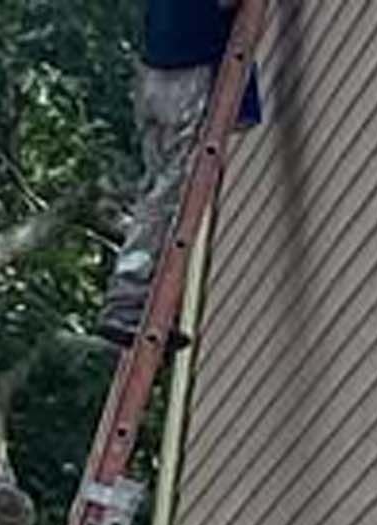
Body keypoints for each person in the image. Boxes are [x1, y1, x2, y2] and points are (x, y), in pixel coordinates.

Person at [97, 0, 259, 348]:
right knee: (174, 191)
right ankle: (129, 299)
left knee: (159, 187)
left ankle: (148, 303)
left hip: (156, 72)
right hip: (186, 73)